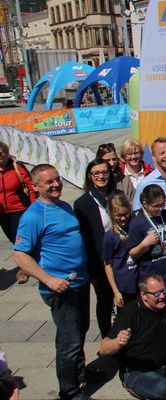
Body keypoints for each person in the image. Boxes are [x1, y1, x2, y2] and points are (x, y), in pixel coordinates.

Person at [13, 164, 90, 400]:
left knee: (80, 331)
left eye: (57, 179)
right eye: (49, 182)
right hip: (61, 288)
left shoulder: (63, 205)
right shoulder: (34, 215)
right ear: (35, 186)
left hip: (80, 282)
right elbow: (20, 255)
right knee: (69, 343)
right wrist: (48, 279)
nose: (56, 184)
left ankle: (78, 375)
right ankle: (69, 392)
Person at [74, 159, 120, 338]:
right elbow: (85, 240)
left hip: (122, 258)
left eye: (104, 172)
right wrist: (91, 270)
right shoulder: (82, 203)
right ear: (90, 177)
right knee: (105, 300)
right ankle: (107, 337)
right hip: (100, 262)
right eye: (96, 173)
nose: (101, 176)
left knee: (124, 298)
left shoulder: (118, 195)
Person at [128, 185, 166, 288]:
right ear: (145, 204)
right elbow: (132, 254)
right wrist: (144, 244)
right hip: (151, 279)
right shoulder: (137, 223)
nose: (160, 209)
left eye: (163, 204)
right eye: (156, 206)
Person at [0, 142, 36, 284]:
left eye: (0, 154)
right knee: (12, 238)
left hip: (19, 209)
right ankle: (29, 258)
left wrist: (34, 208)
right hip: (2, 212)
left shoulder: (17, 167)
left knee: (18, 240)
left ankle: (23, 269)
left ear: (6, 153)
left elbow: (31, 187)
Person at [103, 193, 138, 308]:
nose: (123, 218)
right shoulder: (110, 236)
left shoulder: (136, 226)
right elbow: (108, 265)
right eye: (118, 216)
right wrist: (116, 292)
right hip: (125, 286)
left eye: (125, 214)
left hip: (141, 281)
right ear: (111, 215)